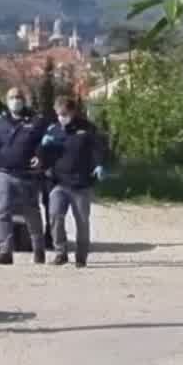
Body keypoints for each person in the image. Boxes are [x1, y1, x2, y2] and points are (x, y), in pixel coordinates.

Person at [0, 85, 52, 265]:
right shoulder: (1, 123)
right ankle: (5, 252)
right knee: (3, 212)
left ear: (24, 100)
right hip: (4, 174)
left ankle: (39, 250)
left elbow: (46, 142)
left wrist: (40, 156)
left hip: (27, 175)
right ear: (7, 100)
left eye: (18, 97)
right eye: (12, 97)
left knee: (31, 213)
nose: (15, 100)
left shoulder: (36, 121)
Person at [45, 96, 105, 267]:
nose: (61, 116)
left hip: (81, 185)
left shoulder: (87, 129)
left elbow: (98, 148)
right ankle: (60, 253)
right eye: (58, 114)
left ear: (72, 112)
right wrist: (43, 161)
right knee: (55, 216)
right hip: (59, 183)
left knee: (82, 222)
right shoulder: (54, 130)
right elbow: (45, 151)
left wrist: (99, 164)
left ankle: (81, 257)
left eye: (64, 113)